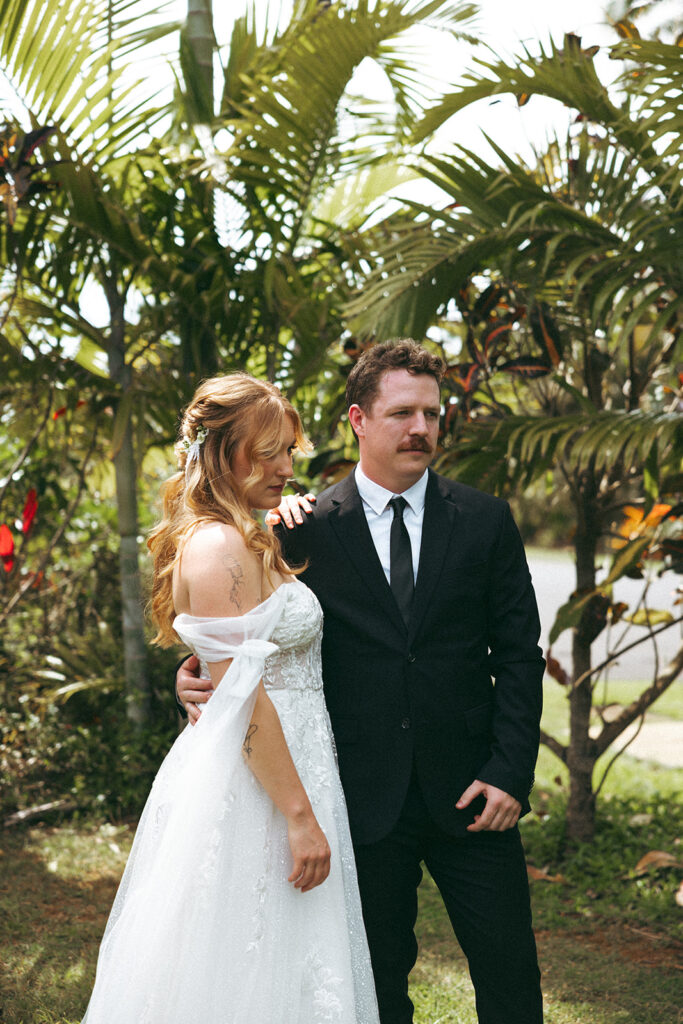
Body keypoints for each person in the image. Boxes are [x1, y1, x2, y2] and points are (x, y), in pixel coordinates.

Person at [177, 341, 545, 1024]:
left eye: (432, 414)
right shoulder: (302, 526)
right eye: (402, 412)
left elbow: (519, 653)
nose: (421, 429)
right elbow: (242, 632)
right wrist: (190, 676)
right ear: (358, 419)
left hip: (473, 788)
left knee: (509, 970)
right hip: (358, 795)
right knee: (372, 980)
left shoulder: (485, 520)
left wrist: (508, 772)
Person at [83, 373, 380, 1024]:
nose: (285, 466)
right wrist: (300, 818)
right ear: (220, 453)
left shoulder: (247, 534)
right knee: (242, 954)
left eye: (288, 451)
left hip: (298, 763)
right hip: (261, 784)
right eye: (267, 451)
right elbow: (243, 702)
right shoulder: (216, 547)